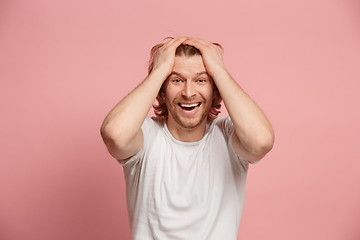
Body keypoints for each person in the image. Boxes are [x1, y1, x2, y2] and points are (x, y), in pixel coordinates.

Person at [100, 37, 274, 240]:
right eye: (176, 80)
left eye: (201, 80)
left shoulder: (227, 136)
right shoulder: (146, 136)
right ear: (162, 92)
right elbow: (114, 135)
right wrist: (159, 70)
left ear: (215, 90)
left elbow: (261, 141)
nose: (189, 92)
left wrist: (219, 70)